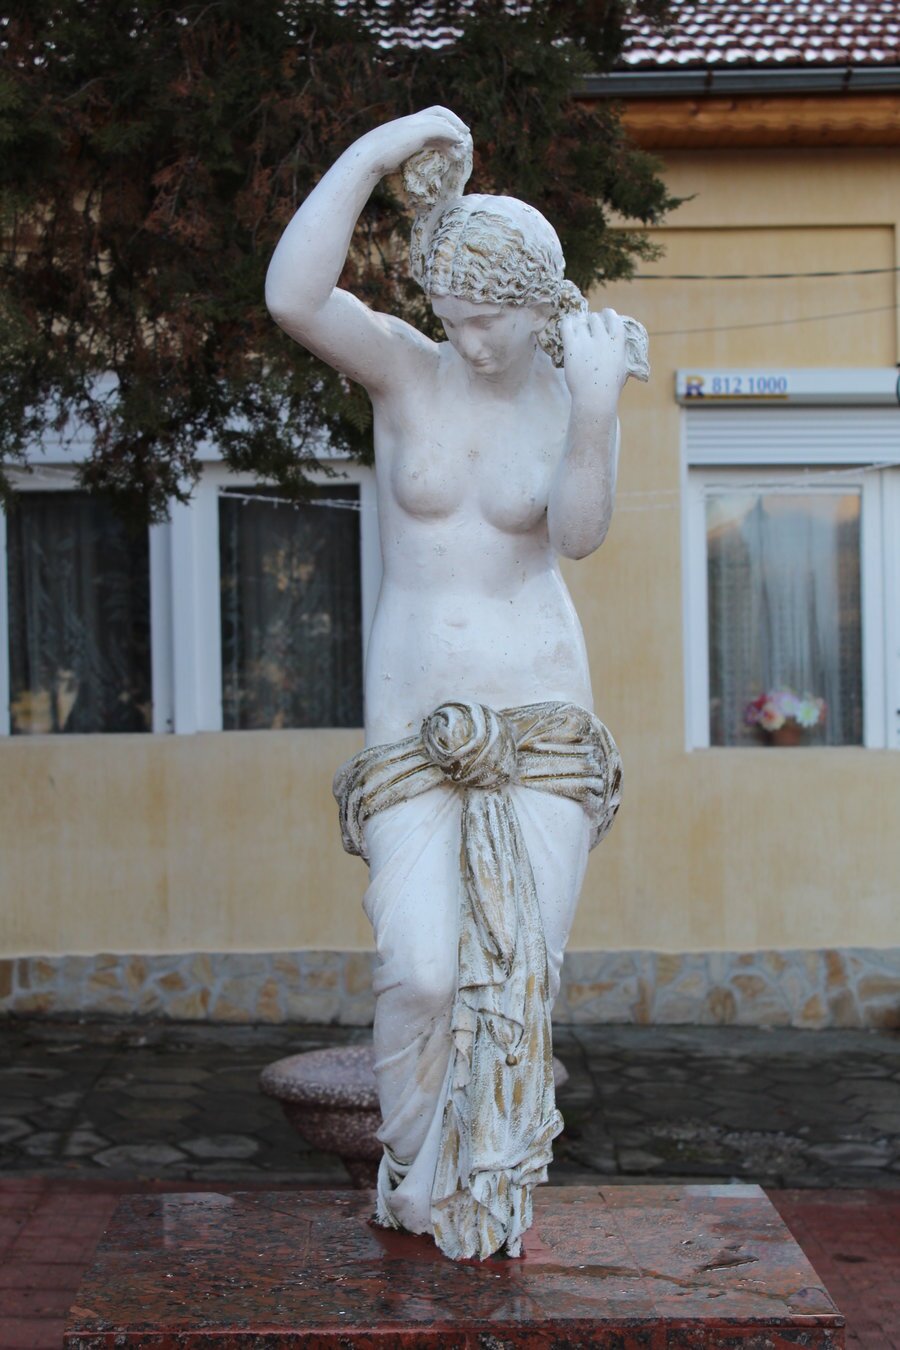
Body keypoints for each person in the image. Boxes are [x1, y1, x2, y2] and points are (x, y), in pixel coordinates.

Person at [266, 107, 638, 1260]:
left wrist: (596, 409)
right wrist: (384, 148)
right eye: (453, 315)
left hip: (541, 718)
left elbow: (577, 535)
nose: (468, 340)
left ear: (540, 304)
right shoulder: (406, 375)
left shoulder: (573, 387)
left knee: (516, 978)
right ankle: (419, 1181)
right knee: (422, 970)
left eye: (490, 320)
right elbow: (293, 295)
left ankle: (485, 1192)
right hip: (414, 722)